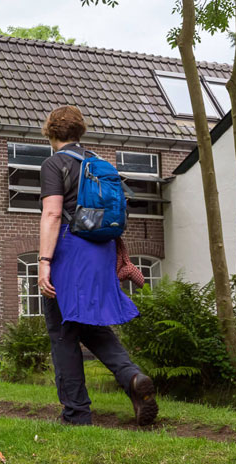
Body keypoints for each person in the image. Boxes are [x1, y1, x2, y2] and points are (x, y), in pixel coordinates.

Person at [37, 105, 159, 426]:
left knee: (62, 331)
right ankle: (133, 378)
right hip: (101, 253)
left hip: (69, 253)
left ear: (50, 132)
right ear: (81, 131)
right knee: (91, 326)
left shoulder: (54, 164)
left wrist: (44, 262)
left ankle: (76, 414)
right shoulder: (99, 163)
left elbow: (51, 214)